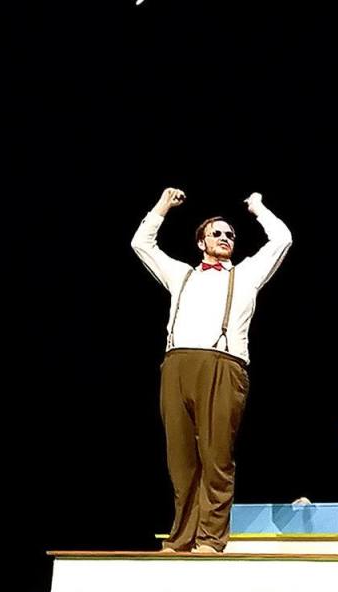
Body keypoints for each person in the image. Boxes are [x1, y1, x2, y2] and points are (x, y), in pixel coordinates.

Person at [131, 187, 292, 553]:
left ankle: (210, 538)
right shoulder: (181, 275)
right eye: (216, 233)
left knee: (217, 456)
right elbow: (142, 243)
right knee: (181, 459)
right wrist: (162, 205)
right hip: (177, 366)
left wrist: (258, 207)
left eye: (230, 235)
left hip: (223, 365)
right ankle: (181, 537)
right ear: (201, 241)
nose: (224, 238)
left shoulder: (247, 274)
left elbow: (283, 238)